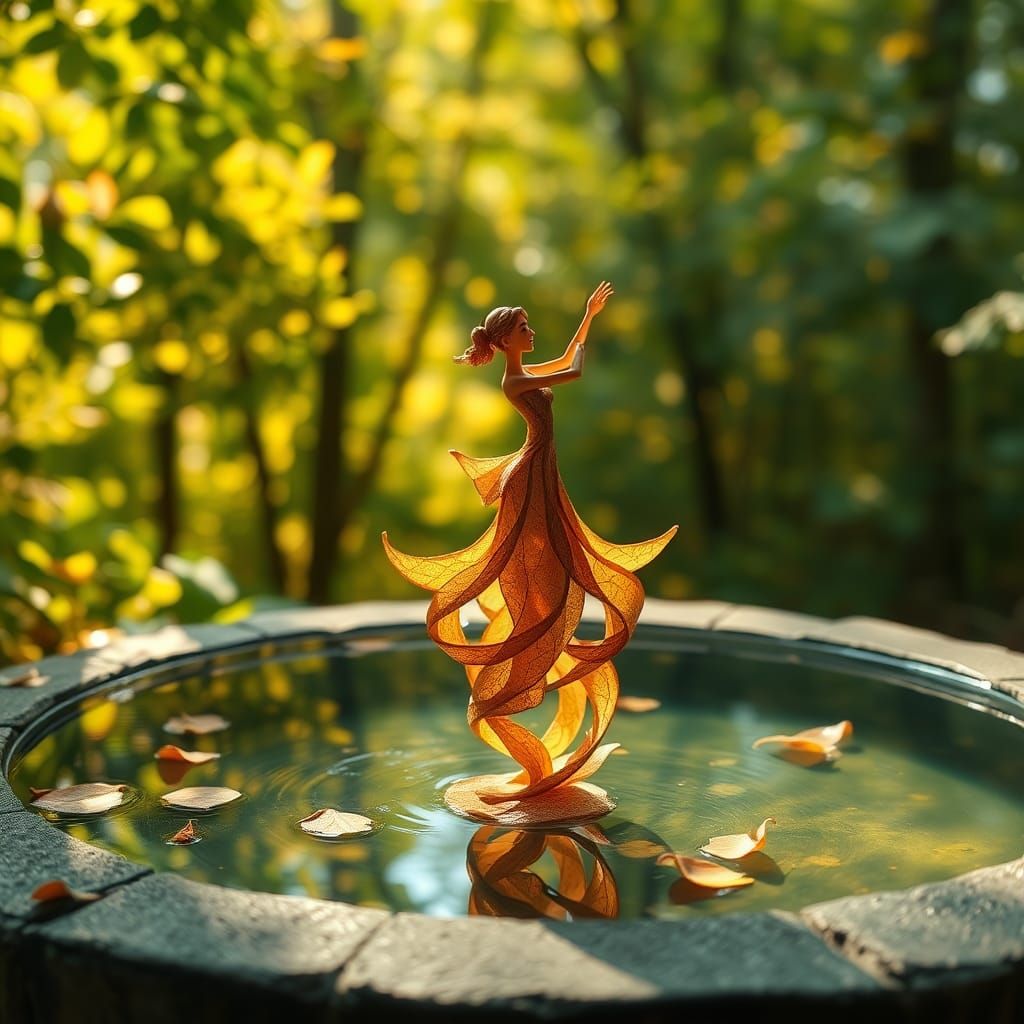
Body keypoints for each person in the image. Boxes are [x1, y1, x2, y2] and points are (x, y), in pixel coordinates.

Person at [382, 283, 676, 825]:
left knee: (560, 571)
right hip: (530, 480)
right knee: (530, 571)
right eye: (525, 328)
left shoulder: (524, 369)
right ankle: (521, 675)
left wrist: (587, 317)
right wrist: (584, 340)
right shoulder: (514, 378)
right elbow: (573, 372)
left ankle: (540, 715)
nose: (532, 332)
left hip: (541, 474)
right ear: (507, 339)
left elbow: (565, 359)